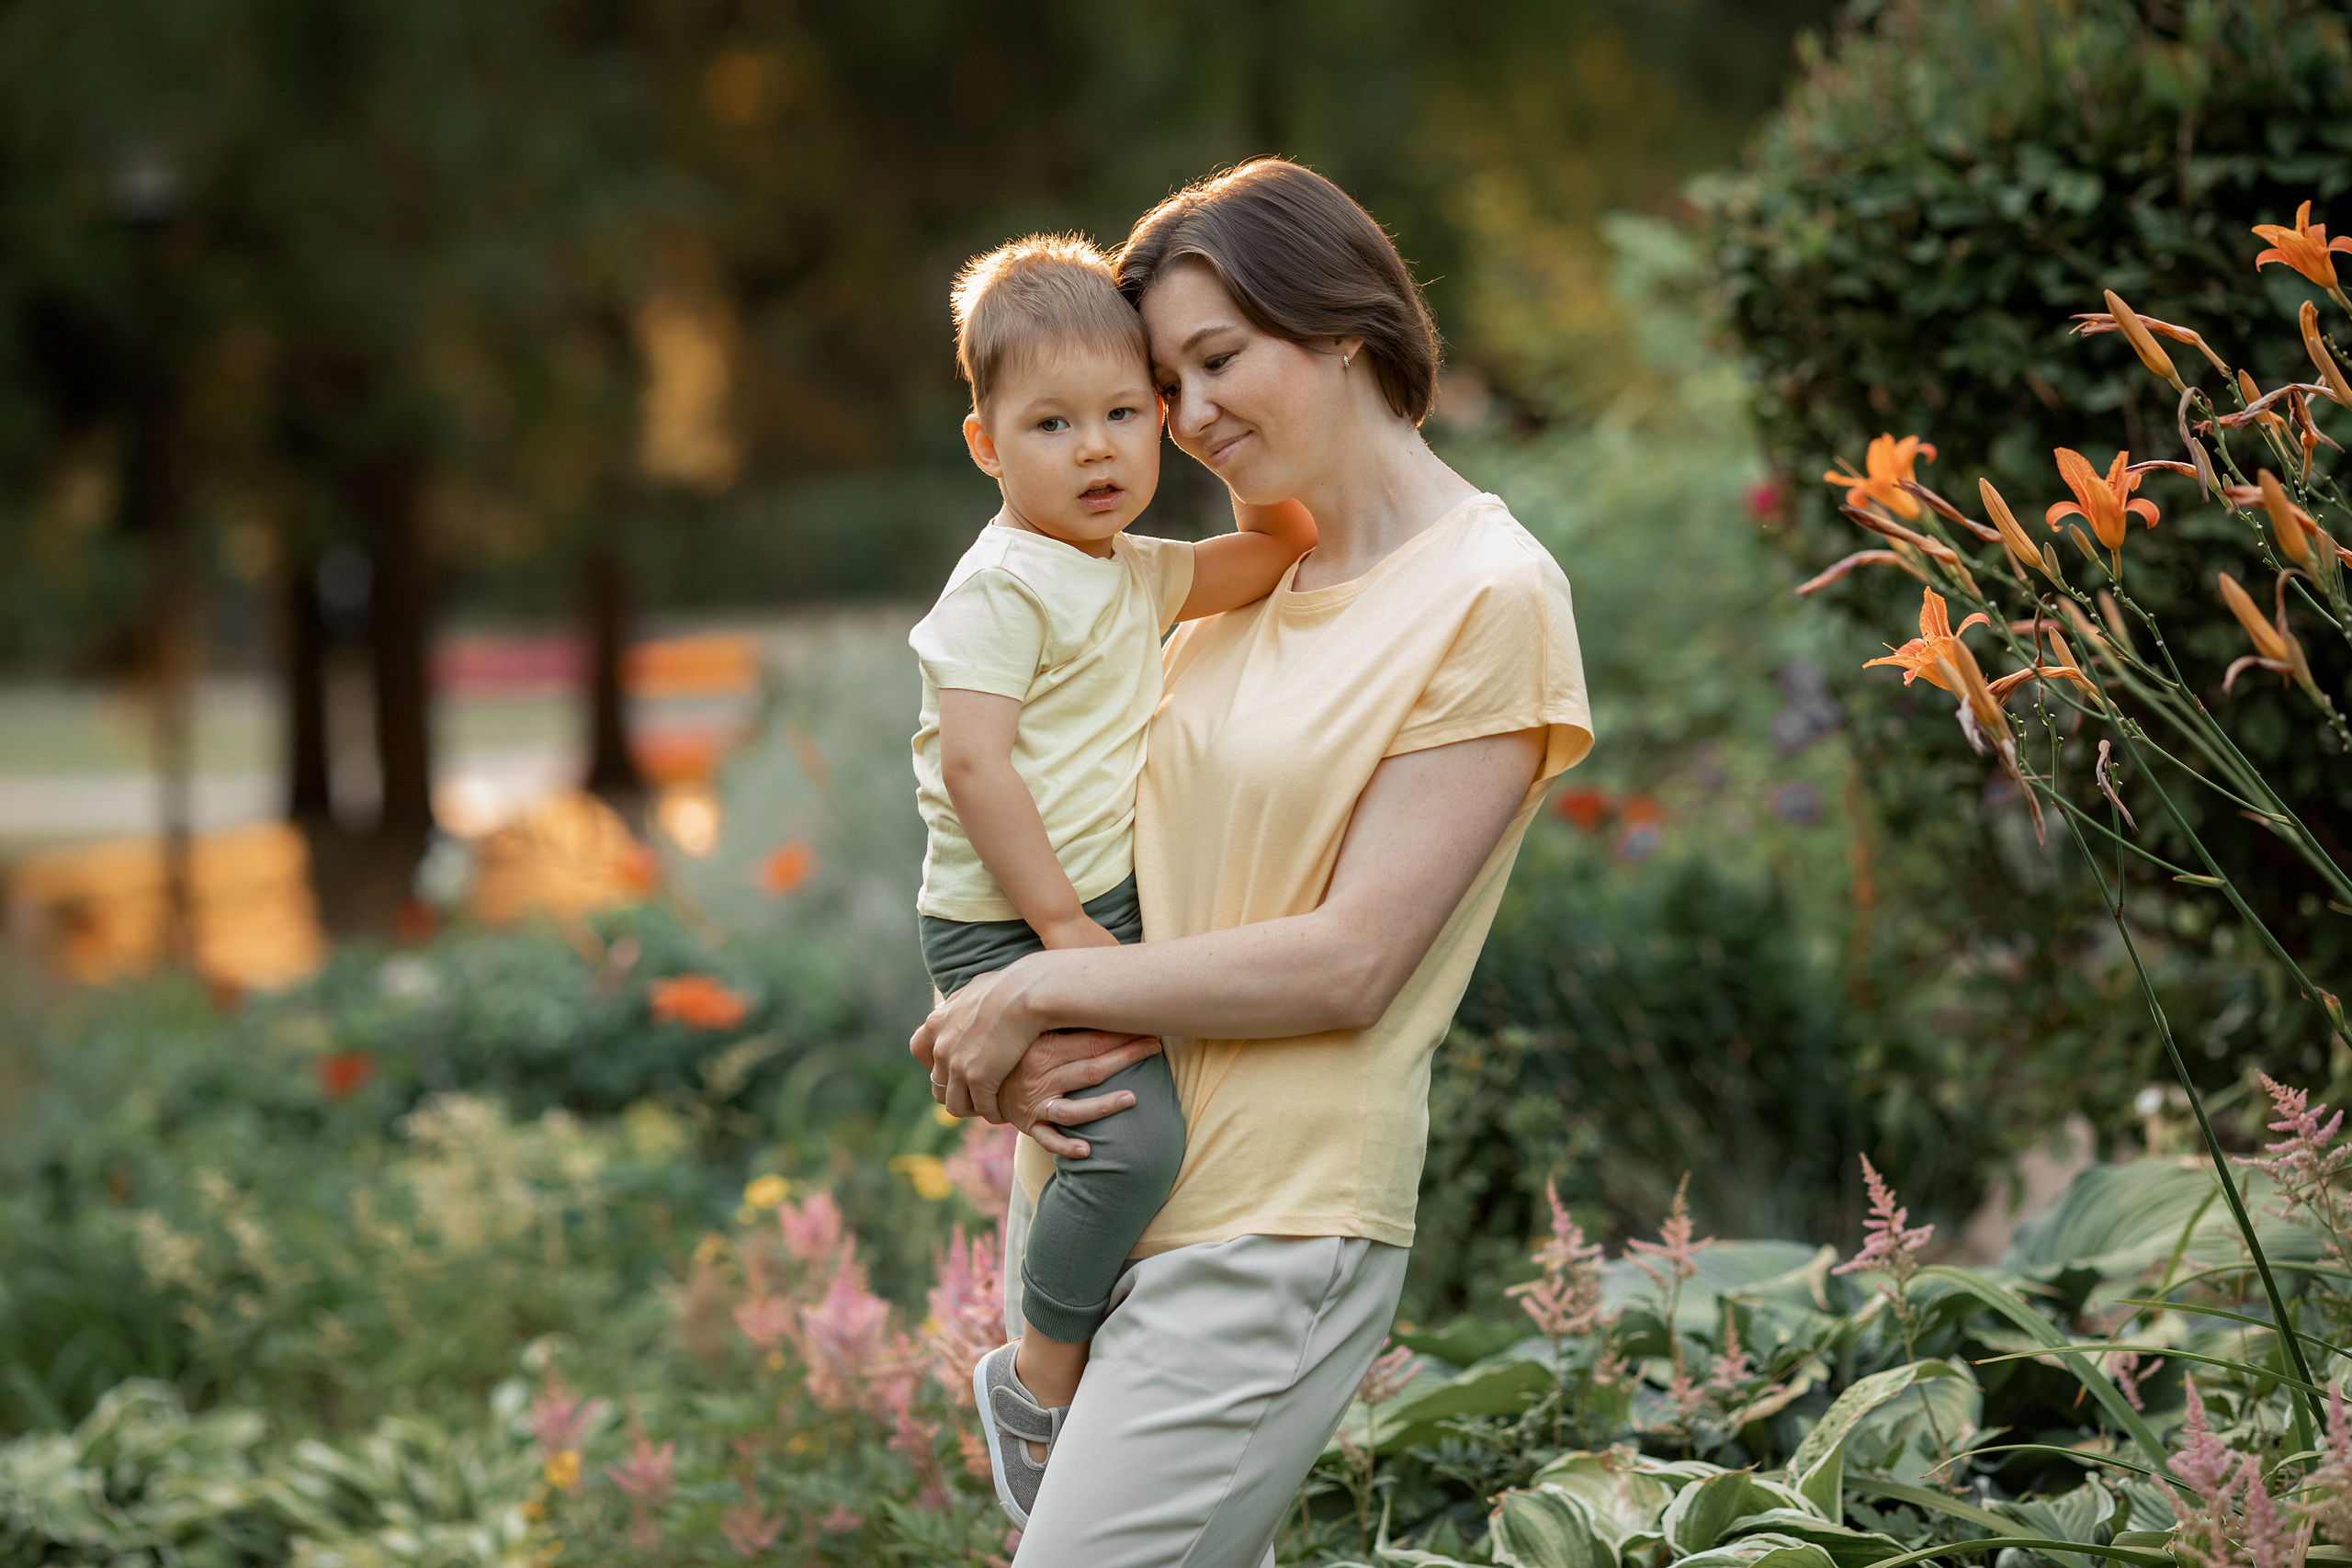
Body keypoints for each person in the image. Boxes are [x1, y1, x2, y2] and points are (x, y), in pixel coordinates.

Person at [912, 159, 1593, 1566]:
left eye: (1218, 359)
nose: (1191, 415)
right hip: (1116, 1182)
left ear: (1341, 324)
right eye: (1168, 383)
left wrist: (1036, 999)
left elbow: (1351, 962)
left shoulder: (1489, 595)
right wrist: (1026, 1022)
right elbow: (1081, 838)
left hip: (1273, 1227)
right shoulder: (1214, 589)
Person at [908, 232, 1317, 1528]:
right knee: (1130, 1147)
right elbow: (977, 771)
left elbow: (1278, 547)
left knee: (1165, 1141)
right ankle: (1036, 1385)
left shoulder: (1134, 574)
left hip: (1096, 917)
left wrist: (1219, 437)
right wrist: (1064, 934)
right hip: (1006, 926)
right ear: (986, 446)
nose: (1096, 450)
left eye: (1126, 416)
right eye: (1051, 424)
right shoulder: (1001, 589)